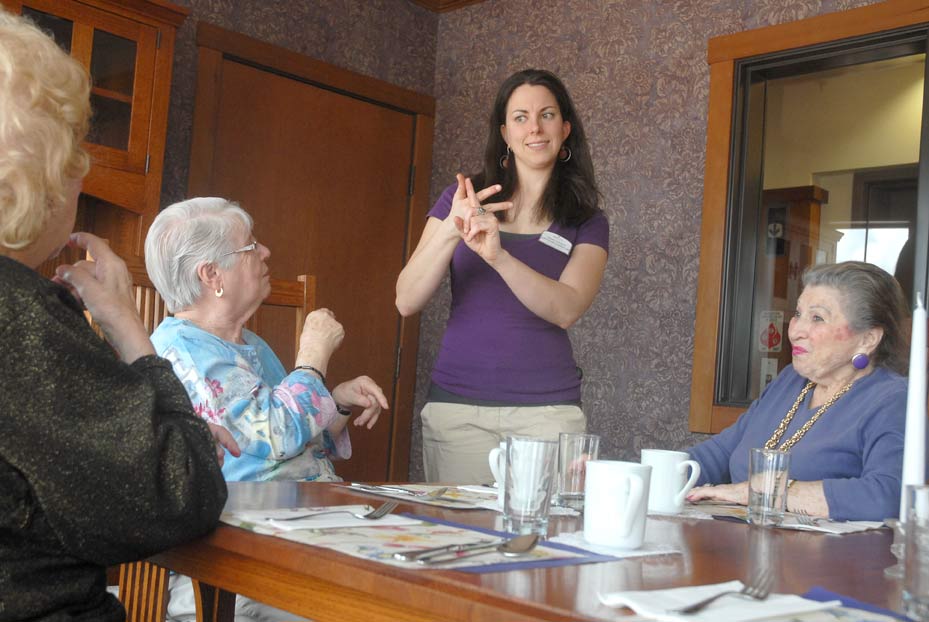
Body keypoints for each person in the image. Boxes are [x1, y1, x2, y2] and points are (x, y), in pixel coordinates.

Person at [0, 9, 229, 620]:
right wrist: (128, 326)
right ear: (40, 172)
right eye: (75, 147)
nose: (84, 170)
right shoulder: (20, 318)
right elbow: (182, 490)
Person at [396, 69, 609, 484]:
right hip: (458, 411)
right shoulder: (462, 197)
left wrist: (498, 256)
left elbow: (566, 308)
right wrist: (449, 229)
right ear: (505, 134)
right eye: (520, 117)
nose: (534, 127)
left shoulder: (586, 220)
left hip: (547, 415)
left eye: (547, 115)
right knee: (462, 541)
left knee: (544, 542)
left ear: (565, 129)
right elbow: (405, 299)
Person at [687, 261, 909, 521]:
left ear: (867, 339)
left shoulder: (891, 400)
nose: (795, 331)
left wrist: (766, 490)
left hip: (824, 560)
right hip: (741, 549)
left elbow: (888, 496)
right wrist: (648, 475)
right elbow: (719, 454)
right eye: (798, 314)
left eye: (817, 318)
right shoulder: (791, 381)